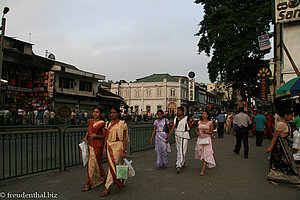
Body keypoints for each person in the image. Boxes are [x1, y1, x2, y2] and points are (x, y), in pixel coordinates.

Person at [266, 108, 300, 184]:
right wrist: (271, 147)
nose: (292, 117)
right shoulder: (281, 124)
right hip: (280, 145)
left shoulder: (286, 123)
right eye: (291, 115)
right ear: (285, 115)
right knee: (277, 161)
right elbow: (275, 136)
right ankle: (273, 178)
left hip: (285, 144)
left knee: (285, 162)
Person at [101, 107, 129, 197]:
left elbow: (124, 138)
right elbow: (106, 137)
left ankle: (107, 186)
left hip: (119, 145)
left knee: (114, 164)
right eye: (111, 113)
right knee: (115, 164)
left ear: (118, 114)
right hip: (110, 145)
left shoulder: (122, 123)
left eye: (114, 113)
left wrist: (124, 150)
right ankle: (120, 180)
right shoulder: (108, 124)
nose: (112, 114)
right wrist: (104, 148)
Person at [81, 107, 107, 192]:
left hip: (98, 145)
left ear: (100, 114)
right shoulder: (90, 121)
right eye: (94, 112)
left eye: (97, 112)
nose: (95, 113)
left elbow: (104, 136)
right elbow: (89, 131)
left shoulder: (102, 123)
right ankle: (103, 176)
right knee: (97, 164)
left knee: (92, 164)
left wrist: (96, 136)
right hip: (90, 144)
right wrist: (85, 137)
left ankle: (89, 184)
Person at [167, 106, 193, 173]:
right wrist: (169, 135)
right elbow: (173, 127)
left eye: (179, 111)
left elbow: (190, 126)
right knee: (179, 149)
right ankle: (179, 164)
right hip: (177, 134)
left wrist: (190, 122)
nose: (177, 112)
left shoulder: (186, 118)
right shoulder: (176, 118)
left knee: (183, 150)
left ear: (182, 112)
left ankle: (182, 162)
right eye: (177, 111)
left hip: (184, 135)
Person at [195, 110, 216, 176]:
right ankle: (205, 162)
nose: (203, 115)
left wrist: (207, 132)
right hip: (200, 139)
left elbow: (212, 131)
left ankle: (203, 169)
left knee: (206, 153)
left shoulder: (210, 123)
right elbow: (196, 129)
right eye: (203, 114)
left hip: (207, 139)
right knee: (201, 153)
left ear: (207, 115)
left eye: (205, 114)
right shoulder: (199, 122)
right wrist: (198, 132)